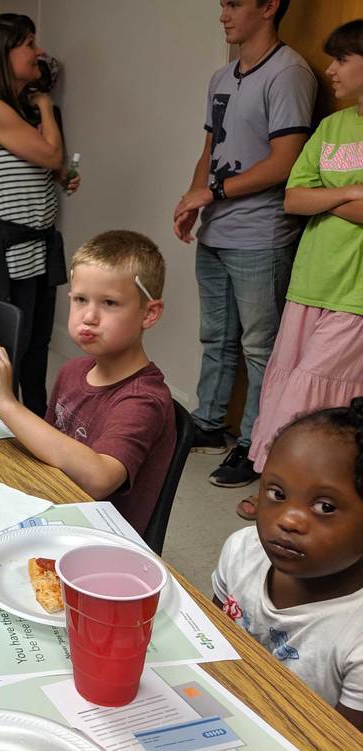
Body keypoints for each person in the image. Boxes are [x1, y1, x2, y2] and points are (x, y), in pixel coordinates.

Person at [172, 0, 316, 489]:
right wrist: (195, 201)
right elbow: (211, 149)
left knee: (261, 347)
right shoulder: (221, 76)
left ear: (269, 6)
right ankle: (209, 423)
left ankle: (256, 445)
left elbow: (284, 162)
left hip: (260, 234)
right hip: (216, 229)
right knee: (215, 337)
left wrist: (210, 192)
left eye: (234, 4)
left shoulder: (290, 73)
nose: (223, 15)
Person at [0, 231, 174, 534]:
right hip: (52, 510)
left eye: (109, 303)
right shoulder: (71, 371)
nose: (89, 317)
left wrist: (5, 402)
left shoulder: (144, 399)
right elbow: (46, 450)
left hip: (99, 541)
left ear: (149, 313)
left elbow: (100, 479)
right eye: (80, 299)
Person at [244, 20, 363, 520]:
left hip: (353, 293)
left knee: (315, 396)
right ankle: (277, 488)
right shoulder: (333, 126)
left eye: (342, 60)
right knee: (288, 386)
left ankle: (301, 498)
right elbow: (294, 198)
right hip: (309, 284)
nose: (331, 70)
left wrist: (326, 197)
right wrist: (348, 192)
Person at [213, 397, 363, 731]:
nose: (289, 520)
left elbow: (340, 741)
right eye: (277, 494)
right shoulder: (242, 551)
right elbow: (209, 642)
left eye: (324, 507)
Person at [0, 13, 80, 417]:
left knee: (34, 349)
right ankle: (7, 428)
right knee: (11, 348)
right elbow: (51, 153)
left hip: (35, 248)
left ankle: (36, 425)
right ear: (3, 53)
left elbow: (45, 166)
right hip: (8, 251)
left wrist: (56, 178)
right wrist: (46, 102)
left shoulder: (13, 110)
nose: (39, 52)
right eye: (29, 44)